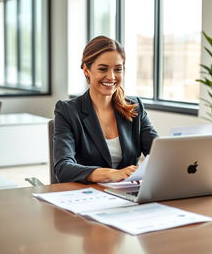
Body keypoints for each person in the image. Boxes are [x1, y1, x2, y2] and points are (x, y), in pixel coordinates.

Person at [54, 36, 158, 183]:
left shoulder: (135, 107)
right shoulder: (67, 111)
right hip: (87, 194)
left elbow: (158, 154)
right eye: (103, 69)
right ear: (86, 70)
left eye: (117, 69)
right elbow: (63, 168)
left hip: (128, 194)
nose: (111, 76)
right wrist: (111, 174)